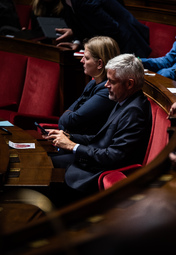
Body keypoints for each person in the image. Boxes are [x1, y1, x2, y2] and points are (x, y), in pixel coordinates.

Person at [45, 54, 152, 194]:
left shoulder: (134, 111)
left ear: (129, 83)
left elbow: (114, 156)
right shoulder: (124, 101)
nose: (106, 85)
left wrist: (72, 146)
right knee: (44, 161)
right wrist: (69, 136)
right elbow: (100, 138)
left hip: (98, 172)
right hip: (92, 162)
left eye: (111, 81)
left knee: (44, 170)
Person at [31, 0, 151, 57]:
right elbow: (84, 25)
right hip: (114, 45)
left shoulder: (84, 2)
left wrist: (87, 46)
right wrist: (78, 41)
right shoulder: (67, 2)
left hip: (129, 44)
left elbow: (111, 29)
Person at [58, 36, 119, 135]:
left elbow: (71, 120)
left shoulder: (107, 90)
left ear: (99, 63)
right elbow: (64, 120)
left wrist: (66, 120)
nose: (82, 61)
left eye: (86, 58)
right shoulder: (92, 84)